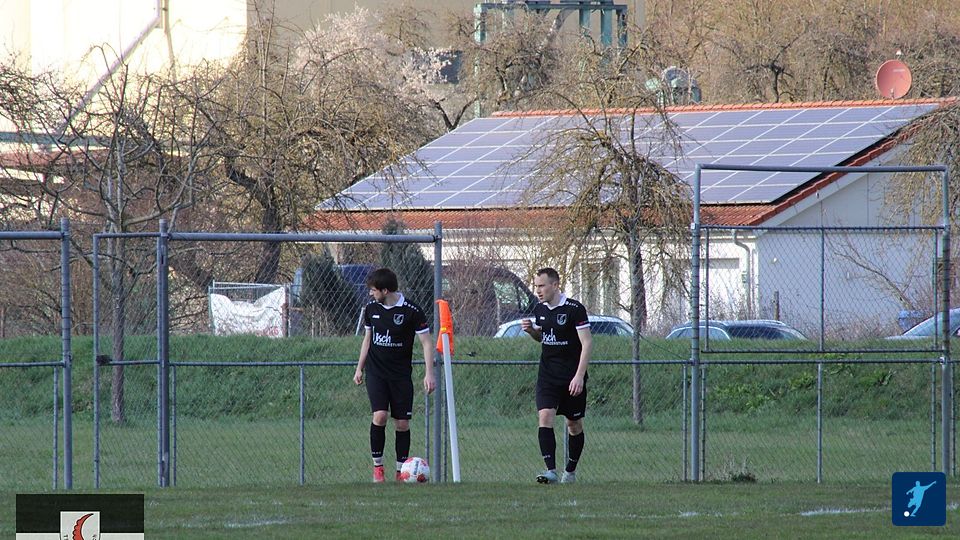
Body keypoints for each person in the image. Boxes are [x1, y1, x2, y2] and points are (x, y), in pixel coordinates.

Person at [353, 267, 436, 483]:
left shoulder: (411, 311)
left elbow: (427, 343)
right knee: (380, 416)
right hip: (376, 372)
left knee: (402, 424)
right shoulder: (371, 309)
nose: (370, 293)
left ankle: (401, 472)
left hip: (400, 375)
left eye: (373, 290)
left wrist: (429, 373)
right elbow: (367, 339)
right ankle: (378, 468)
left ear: (385, 290)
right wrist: (359, 368)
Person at [521, 267, 593, 484]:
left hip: (571, 376)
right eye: (536, 286)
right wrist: (532, 332)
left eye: (542, 286)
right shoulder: (540, 309)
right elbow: (543, 337)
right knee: (545, 417)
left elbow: (587, 343)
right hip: (548, 376)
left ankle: (569, 472)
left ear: (555, 285)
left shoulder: (574, 309)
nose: (538, 290)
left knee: (574, 425)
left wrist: (579, 376)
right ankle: (550, 471)